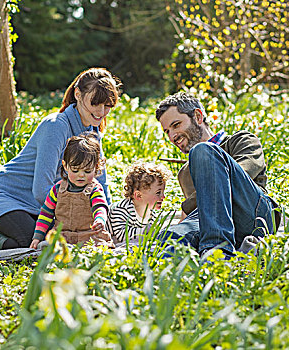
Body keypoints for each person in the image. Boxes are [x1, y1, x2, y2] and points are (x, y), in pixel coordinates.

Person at [0, 68, 121, 250]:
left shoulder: (93, 132)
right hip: (0, 199)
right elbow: (41, 190)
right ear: (78, 94)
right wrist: (72, 216)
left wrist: (107, 218)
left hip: (35, 208)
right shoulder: (56, 126)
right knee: (35, 243)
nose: (101, 111)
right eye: (95, 103)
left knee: (69, 239)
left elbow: (100, 184)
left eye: (107, 105)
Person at [155, 92, 280, 258]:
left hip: (253, 215)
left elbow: (243, 174)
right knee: (168, 238)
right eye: (167, 132)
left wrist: (188, 206)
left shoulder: (242, 140)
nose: (172, 136)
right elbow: (204, 211)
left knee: (203, 151)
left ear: (198, 116)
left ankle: (218, 254)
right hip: (215, 225)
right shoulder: (185, 173)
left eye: (176, 125)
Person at [29, 132, 114, 249]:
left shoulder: (94, 189)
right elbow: (46, 213)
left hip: (89, 236)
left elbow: (99, 206)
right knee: (48, 247)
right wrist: (37, 237)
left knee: (98, 249)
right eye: (75, 170)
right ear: (65, 166)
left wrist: (99, 220)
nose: (81, 175)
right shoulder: (58, 189)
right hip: (63, 236)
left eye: (87, 171)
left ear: (96, 167)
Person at [108, 161, 171, 243]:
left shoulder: (151, 213)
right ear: (138, 195)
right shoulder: (121, 210)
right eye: (158, 193)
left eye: (163, 192)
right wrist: (145, 231)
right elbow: (122, 235)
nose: (163, 196)